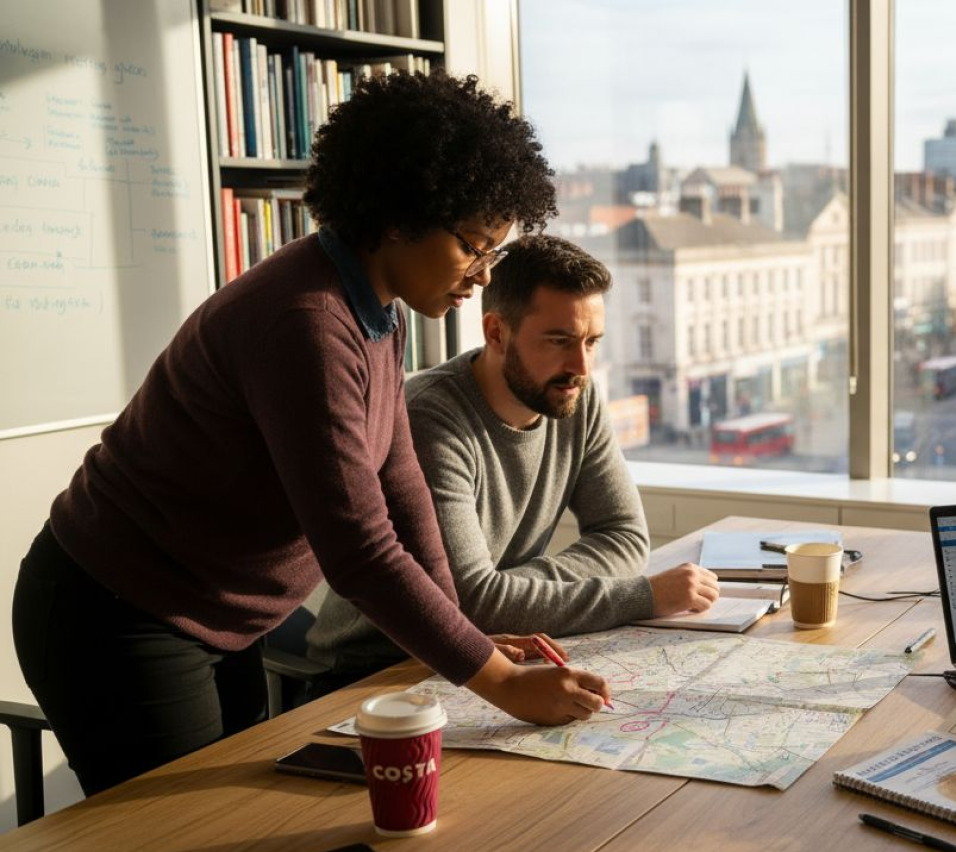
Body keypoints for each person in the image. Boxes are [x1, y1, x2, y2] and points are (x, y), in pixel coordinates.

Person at [11, 72, 609, 796]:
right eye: (474, 247)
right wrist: (500, 682)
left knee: (234, 821)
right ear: (400, 218)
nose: (483, 275)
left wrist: (463, 635)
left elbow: (400, 482)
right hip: (118, 609)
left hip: (218, 614)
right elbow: (360, 549)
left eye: (493, 254)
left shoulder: (375, 309)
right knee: (179, 836)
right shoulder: (307, 323)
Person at [307, 235, 719, 686]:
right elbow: (472, 604)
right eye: (559, 340)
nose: (581, 366)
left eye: (592, 342)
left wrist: (513, 592)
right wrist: (641, 596)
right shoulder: (430, 419)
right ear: (496, 333)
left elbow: (625, 537)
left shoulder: (574, 396)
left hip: (489, 654)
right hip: (376, 671)